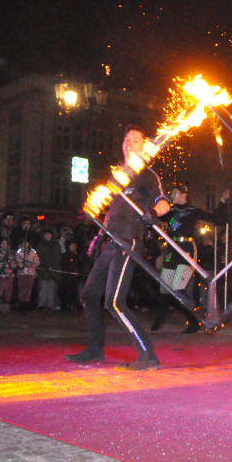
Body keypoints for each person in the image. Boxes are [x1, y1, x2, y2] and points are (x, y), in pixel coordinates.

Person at [65, 126, 170, 370]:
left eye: (136, 139)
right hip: (110, 243)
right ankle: (94, 348)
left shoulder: (147, 174)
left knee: (114, 301)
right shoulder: (117, 177)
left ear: (144, 146)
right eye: (126, 139)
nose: (130, 142)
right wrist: (98, 236)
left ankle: (148, 355)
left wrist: (153, 213)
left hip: (129, 241)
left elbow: (164, 203)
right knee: (89, 295)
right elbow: (112, 212)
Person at [150, 184, 206, 333]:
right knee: (165, 288)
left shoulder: (194, 211)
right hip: (172, 251)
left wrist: (221, 202)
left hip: (186, 250)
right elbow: (155, 218)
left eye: (175, 193)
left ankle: (194, 322)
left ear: (183, 195)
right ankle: (159, 321)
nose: (172, 196)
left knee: (178, 289)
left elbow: (215, 217)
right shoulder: (170, 211)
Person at [36, 227, 62, 311]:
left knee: (51, 288)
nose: (47, 236)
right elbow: (38, 257)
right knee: (43, 288)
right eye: (46, 234)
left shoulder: (56, 245)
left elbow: (57, 257)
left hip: (52, 271)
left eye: (49, 234)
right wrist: (44, 266)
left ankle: (50, 305)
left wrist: (52, 266)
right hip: (43, 270)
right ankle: (41, 304)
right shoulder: (41, 245)